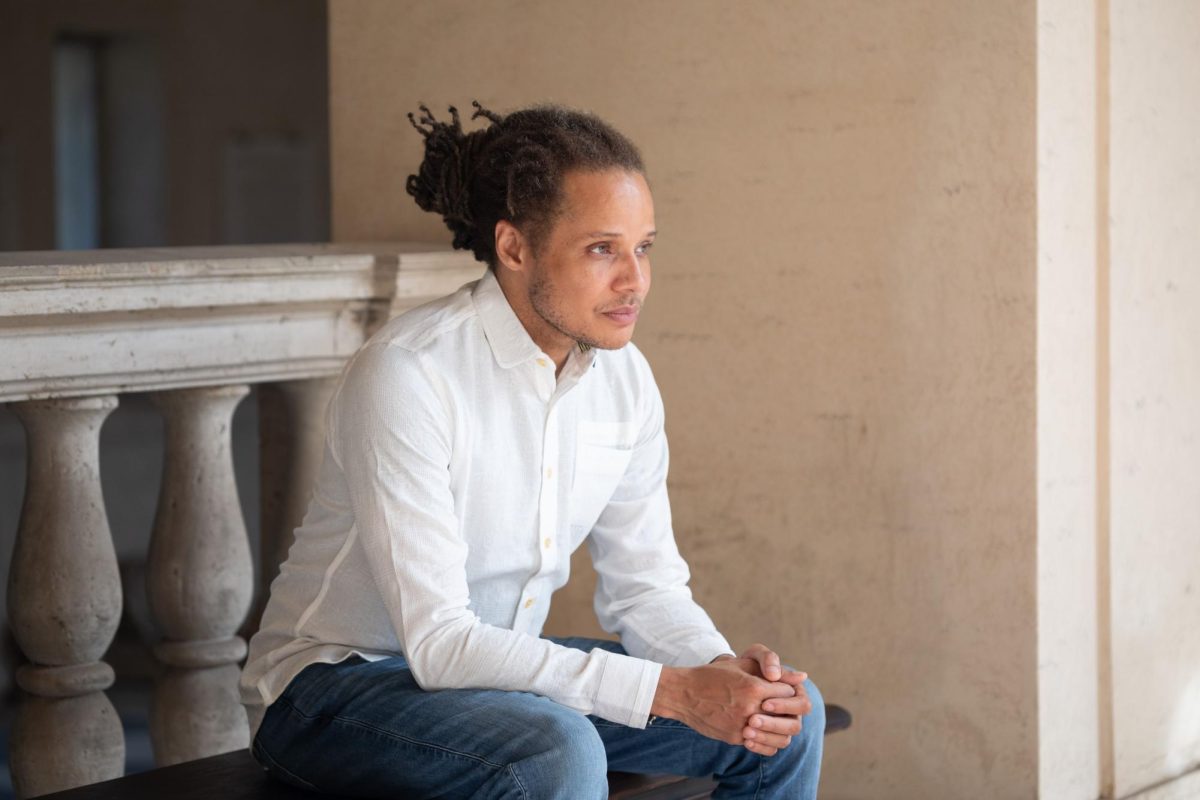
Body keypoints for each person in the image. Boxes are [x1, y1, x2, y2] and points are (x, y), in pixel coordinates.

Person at [241, 101, 824, 799]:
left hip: (494, 680)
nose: (634, 281)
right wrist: (672, 691)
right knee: (556, 750)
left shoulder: (625, 380)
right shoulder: (408, 374)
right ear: (514, 249)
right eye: (603, 249)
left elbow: (648, 590)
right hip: (335, 691)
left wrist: (719, 670)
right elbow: (439, 643)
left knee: (788, 717)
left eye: (644, 247)